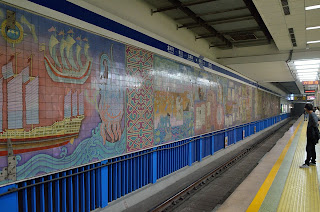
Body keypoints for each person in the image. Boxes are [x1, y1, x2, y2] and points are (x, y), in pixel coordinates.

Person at [300, 103, 319, 168]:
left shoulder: (312, 115)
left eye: (305, 108)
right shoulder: (312, 114)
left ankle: (307, 163)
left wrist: (313, 128)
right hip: (313, 134)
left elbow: (315, 123)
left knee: (308, 148)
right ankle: (313, 161)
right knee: (312, 148)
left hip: (312, 134)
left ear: (306, 109)